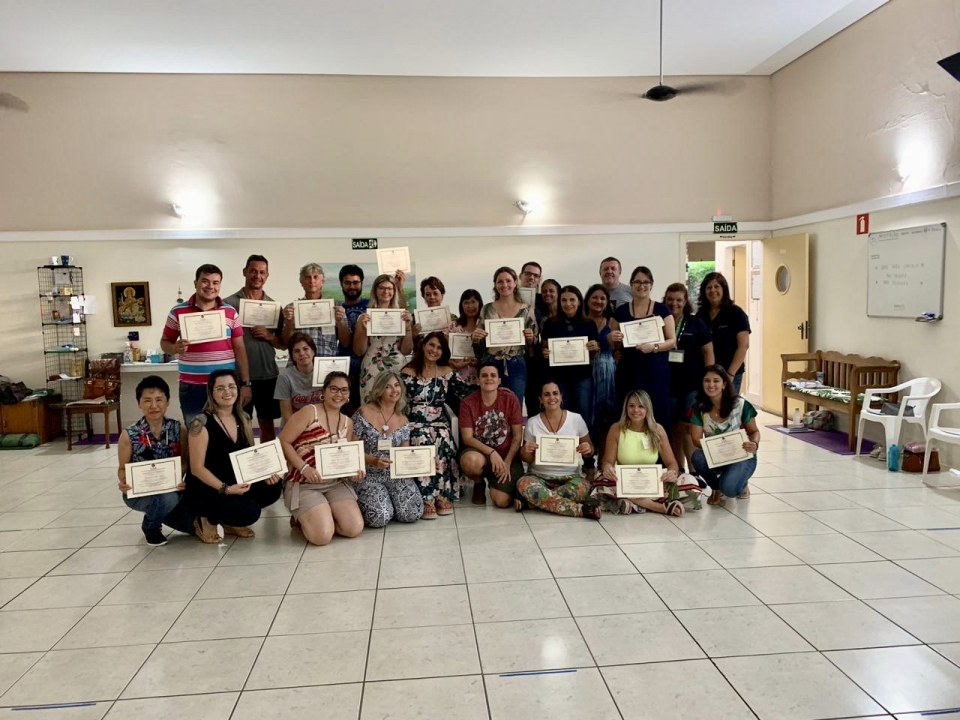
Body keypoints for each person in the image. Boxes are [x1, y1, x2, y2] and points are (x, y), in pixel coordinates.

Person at [184, 370, 283, 543]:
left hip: (233, 480)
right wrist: (227, 489)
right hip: (207, 488)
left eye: (231, 386)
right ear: (211, 392)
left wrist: (265, 472)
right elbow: (197, 469)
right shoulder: (201, 423)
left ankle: (229, 522)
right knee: (250, 513)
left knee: (273, 487)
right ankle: (206, 519)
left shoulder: (243, 418)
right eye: (220, 388)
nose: (227, 392)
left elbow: (249, 457)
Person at [279, 372, 366, 544]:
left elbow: (346, 457)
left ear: (349, 395)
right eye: (333, 389)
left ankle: (321, 515)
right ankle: (307, 518)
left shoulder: (348, 422)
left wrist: (354, 472)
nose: (339, 394)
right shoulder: (309, 412)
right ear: (323, 391)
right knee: (322, 537)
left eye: (344, 390)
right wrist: (304, 467)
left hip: (334, 483)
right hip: (304, 483)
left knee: (354, 528)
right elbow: (283, 441)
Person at [160, 264, 252, 424]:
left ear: (220, 285)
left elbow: (240, 349)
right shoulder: (177, 312)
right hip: (192, 386)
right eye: (205, 281)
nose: (210, 286)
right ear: (195, 283)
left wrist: (246, 383)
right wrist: (174, 348)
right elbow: (164, 342)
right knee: (195, 430)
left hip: (225, 386)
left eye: (215, 282)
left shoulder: (230, 312)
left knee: (227, 432)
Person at [116, 375, 196, 546]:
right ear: (139, 403)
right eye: (147, 400)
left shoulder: (178, 428)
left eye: (159, 399)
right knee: (168, 499)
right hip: (141, 493)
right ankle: (150, 527)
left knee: (193, 527)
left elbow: (184, 461)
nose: (154, 406)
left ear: (168, 401)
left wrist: (177, 479)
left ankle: (160, 513)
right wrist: (124, 481)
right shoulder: (129, 434)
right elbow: (122, 468)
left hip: (172, 488)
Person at [401, 332, 469, 518]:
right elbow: (397, 401)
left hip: (439, 423)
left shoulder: (446, 372)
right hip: (413, 423)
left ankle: (442, 494)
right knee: (422, 438)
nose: (434, 350)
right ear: (423, 346)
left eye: (439, 347)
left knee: (442, 438)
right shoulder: (407, 372)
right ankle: (426, 496)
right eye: (431, 345)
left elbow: (467, 393)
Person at [517, 381, 601, 519]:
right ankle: (580, 510)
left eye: (555, 393)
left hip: (569, 478)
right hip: (539, 476)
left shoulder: (576, 419)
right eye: (546, 394)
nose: (552, 398)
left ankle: (533, 502)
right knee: (524, 484)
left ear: (561, 397)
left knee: (583, 487)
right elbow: (527, 458)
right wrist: (526, 450)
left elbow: (590, 449)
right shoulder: (533, 422)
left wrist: (587, 449)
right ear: (540, 399)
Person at [224, 255, 284, 442]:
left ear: (267, 276)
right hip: (237, 376)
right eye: (253, 271)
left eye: (262, 272)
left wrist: (269, 336)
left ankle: (268, 461)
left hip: (267, 374)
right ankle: (243, 460)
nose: (258, 276)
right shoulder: (228, 304)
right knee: (239, 425)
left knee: (267, 424)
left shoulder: (274, 307)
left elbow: (283, 344)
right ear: (245, 272)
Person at [611, 265, 677, 434]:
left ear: (651, 285)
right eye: (638, 282)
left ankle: (661, 451)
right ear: (631, 284)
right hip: (628, 373)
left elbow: (672, 341)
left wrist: (654, 347)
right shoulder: (621, 312)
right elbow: (615, 345)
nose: (642, 286)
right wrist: (612, 338)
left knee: (658, 413)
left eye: (646, 282)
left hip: (655, 372)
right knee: (628, 413)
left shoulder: (662, 310)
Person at [540, 285, 600, 472]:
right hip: (559, 381)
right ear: (559, 302)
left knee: (584, 419)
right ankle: (562, 463)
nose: (568, 304)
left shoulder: (589, 324)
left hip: (582, 378)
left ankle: (588, 463)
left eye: (572, 300)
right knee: (560, 420)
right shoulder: (550, 324)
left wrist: (594, 348)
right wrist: (545, 353)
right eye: (564, 300)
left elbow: (594, 353)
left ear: (579, 301)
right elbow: (543, 350)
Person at [352, 371, 423, 527]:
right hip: (368, 475)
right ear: (379, 390)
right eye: (388, 386)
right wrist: (373, 461)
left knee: (413, 513)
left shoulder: (403, 420)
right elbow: (351, 449)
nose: (394, 390)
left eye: (397, 385)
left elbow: (404, 456)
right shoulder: (363, 413)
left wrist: (427, 463)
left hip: (395, 475)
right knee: (380, 517)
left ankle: (390, 503)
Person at [600, 390, 685, 516]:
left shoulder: (657, 429)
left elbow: (672, 462)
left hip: (650, 481)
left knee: (689, 482)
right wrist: (607, 467)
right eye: (631, 406)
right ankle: (658, 507)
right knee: (601, 484)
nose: (636, 410)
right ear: (626, 408)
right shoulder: (616, 428)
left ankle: (631, 503)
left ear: (647, 409)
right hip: (626, 480)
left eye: (641, 406)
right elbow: (607, 461)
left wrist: (672, 473)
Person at [690, 365, 760, 505]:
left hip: (741, 456)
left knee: (729, 490)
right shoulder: (699, 408)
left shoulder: (741, 405)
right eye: (707, 381)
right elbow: (696, 440)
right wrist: (718, 447)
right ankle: (716, 488)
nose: (711, 385)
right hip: (716, 455)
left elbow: (754, 432)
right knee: (697, 457)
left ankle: (741, 483)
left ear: (724, 384)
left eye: (716, 381)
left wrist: (754, 443)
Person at [663, 282, 714, 472]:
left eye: (679, 300)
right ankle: (678, 470)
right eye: (670, 299)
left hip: (691, 385)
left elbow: (708, 351)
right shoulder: (660, 322)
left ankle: (694, 471)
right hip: (667, 385)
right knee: (672, 428)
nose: (674, 304)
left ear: (685, 302)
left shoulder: (695, 322)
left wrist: (709, 380)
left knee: (689, 427)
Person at [459, 362, 524, 507]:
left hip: (506, 455)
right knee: (471, 461)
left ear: (499, 380)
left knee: (501, 501)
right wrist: (492, 452)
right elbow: (467, 438)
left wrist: (507, 463)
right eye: (484, 375)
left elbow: (517, 437)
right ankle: (479, 483)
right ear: (478, 380)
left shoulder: (510, 399)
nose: (489, 378)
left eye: (493, 375)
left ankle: (507, 487)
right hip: (480, 453)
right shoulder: (467, 403)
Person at [472, 267, 536, 403]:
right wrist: (476, 338)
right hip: (491, 363)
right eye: (500, 282)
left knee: (515, 405)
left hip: (517, 364)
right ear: (495, 285)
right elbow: (479, 346)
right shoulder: (487, 309)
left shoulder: (526, 309)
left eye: (508, 281)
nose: (504, 285)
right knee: (493, 406)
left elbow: (533, 345)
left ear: (515, 283)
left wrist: (531, 339)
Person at [355, 273, 414, 404]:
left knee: (396, 405)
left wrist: (408, 327)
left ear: (394, 291)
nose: (386, 291)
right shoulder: (364, 317)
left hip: (397, 366)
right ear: (375, 290)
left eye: (389, 288)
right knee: (371, 404)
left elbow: (406, 350)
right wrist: (364, 330)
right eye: (381, 288)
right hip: (372, 367)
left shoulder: (402, 316)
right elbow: (359, 351)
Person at [280, 263, 351, 361]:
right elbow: (284, 344)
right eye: (307, 277)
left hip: (326, 364)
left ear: (322, 282)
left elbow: (346, 343)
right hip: (299, 366)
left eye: (315, 277)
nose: (312, 281)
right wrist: (289, 324)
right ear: (301, 282)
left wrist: (340, 322)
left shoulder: (335, 307)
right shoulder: (291, 309)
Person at [696, 272, 751, 393]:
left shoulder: (736, 313)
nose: (713, 290)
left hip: (730, 372)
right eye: (709, 287)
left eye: (717, 287)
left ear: (724, 289)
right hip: (707, 374)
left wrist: (730, 374)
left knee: (727, 404)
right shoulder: (700, 315)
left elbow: (743, 346)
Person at [585, 284, 617, 458]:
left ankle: (605, 460)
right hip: (586, 371)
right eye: (595, 297)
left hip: (608, 373)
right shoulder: (581, 320)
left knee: (607, 414)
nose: (598, 301)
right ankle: (589, 458)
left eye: (603, 298)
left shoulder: (612, 321)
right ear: (587, 300)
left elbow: (619, 346)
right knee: (588, 413)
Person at [524, 278, 559, 419]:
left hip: (558, 364)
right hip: (536, 361)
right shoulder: (536, 312)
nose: (547, 294)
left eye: (551, 291)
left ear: (558, 293)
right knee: (534, 399)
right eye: (544, 291)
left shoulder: (564, 314)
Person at [337, 263, 369, 412]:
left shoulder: (372, 306)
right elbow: (344, 342)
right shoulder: (337, 310)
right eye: (347, 283)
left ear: (362, 283)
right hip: (345, 371)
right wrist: (340, 321)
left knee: (367, 413)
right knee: (345, 414)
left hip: (367, 368)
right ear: (341, 284)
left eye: (356, 282)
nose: (352, 286)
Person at [274, 332, 324, 425]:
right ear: (292, 356)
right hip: (294, 426)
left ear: (313, 352)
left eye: (305, 349)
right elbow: (287, 416)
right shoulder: (284, 377)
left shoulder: (325, 373)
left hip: (321, 424)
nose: (302, 353)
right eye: (296, 351)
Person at [449, 289, 483, 389]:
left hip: (481, 379)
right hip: (457, 379)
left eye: (473, 302)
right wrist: (455, 364)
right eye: (466, 302)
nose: (470, 306)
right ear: (461, 305)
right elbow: (444, 355)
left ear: (479, 303)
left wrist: (479, 362)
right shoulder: (453, 327)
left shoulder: (485, 327)